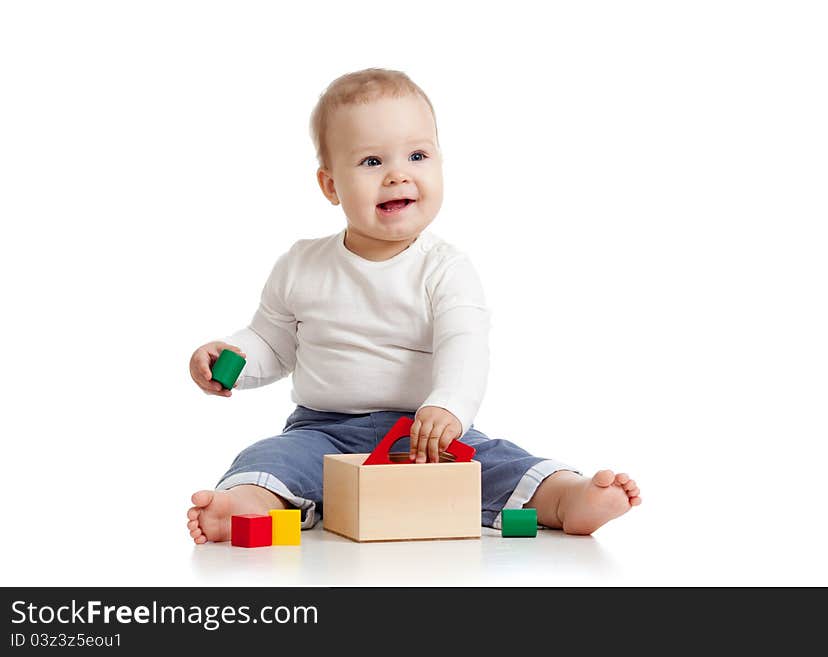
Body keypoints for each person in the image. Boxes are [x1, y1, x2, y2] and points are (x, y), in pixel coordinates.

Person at [186, 68, 641, 545]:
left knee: (496, 463)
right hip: (322, 435)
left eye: (417, 155)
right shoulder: (301, 264)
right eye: (371, 161)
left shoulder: (445, 269)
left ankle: (566, 497)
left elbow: (463, 346)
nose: (398, 174)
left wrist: (447, 406)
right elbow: (271, 343)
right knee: (271, 459)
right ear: (330, 185)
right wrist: (230, 360)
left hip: (424, 434)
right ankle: (244, 507)